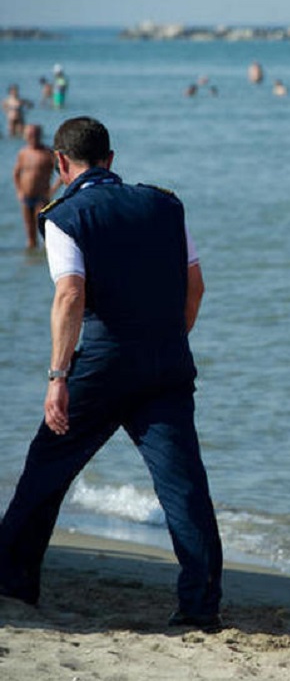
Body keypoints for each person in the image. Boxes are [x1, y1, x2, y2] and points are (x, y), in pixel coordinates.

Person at [0, 116, 223, 630]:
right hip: (166, 361)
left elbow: (70, 294)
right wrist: (171, 342)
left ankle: (13, 580)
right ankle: (200, 605)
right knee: (183, 485)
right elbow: (197, 288)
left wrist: (58, 377)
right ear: (111, 161)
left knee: (47, 468)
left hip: (100, 366)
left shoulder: (64, 216)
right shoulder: (166, 205)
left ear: (60, 163)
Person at [12, 124, 57, 249]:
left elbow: (62, 173)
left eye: (35, 134)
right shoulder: (23, 153)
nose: (32, 137)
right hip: (26, 197)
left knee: (44, 230)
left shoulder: (48, 153)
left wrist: (52, 190)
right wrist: (19, 191)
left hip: (41, 197)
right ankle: (32, 261)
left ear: (40, 135)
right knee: (30, 233)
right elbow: (16, 173)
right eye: (29, 134)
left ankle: (47, 257)